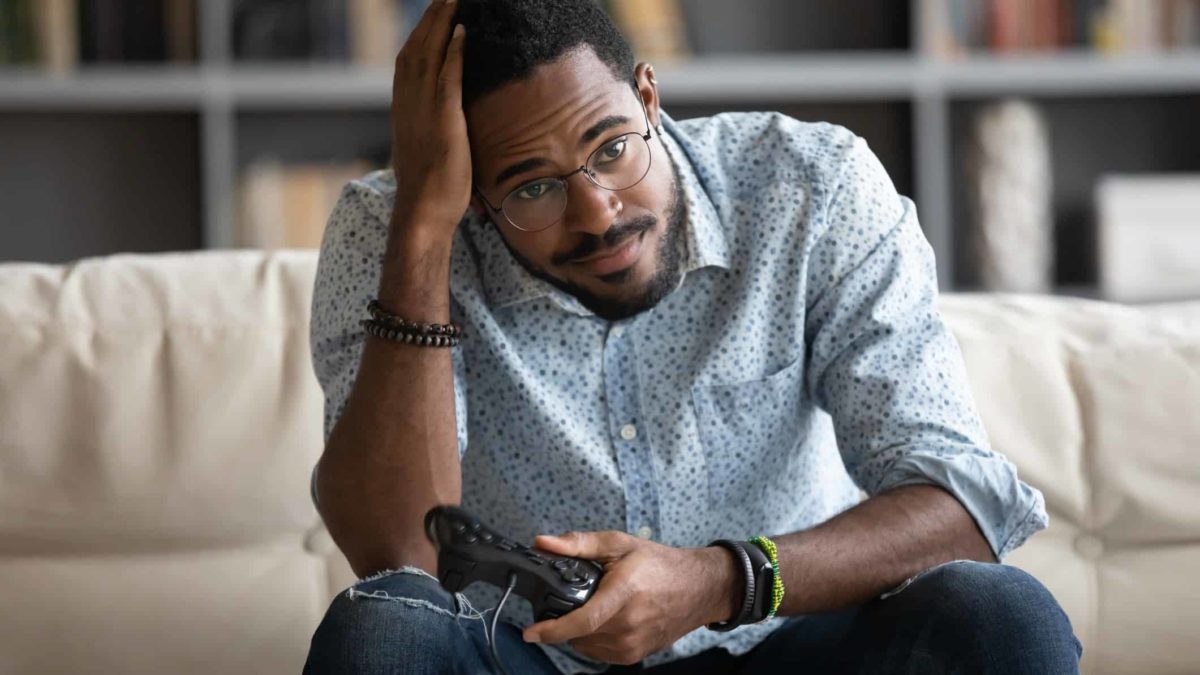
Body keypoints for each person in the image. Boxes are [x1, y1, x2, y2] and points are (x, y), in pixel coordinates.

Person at [302, 0, 1083, 672]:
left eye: (612, 148)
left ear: (648, 95)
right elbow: (396, 553)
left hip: (787, 640)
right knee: (382, 629)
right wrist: (422, 226)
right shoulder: (395, 228)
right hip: (529, 654)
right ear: (475, 192)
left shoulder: (813, 187)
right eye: (532, 187)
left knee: (999, 614)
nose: (599, 213)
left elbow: (963, 501)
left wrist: (721, 581)